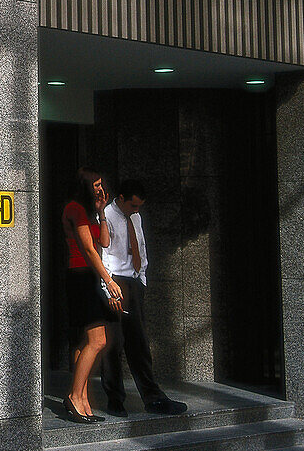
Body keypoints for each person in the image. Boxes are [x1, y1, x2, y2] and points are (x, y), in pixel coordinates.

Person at [100, 180, 189, 417]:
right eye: (133, 205)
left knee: (139, 343)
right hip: (115, 281)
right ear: (121, 198)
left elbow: (140, 244)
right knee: (114, 343)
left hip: (134, 281)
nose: (136, 210)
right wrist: (109, 287)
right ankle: (115, 399)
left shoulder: (135, 217)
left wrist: (142, 278)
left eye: (140, 206)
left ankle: (153, 398)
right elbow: (103, 254)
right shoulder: (107, 215)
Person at [61, 168, 124, 423]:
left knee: (84, 344)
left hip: (86, 277)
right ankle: (74, 397)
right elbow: (88, 249)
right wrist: (108, 281)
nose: (100, 189)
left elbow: (105, 243)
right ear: (85, 186)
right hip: (81, 277)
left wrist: (101, 212)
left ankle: (83, 400)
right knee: (98, 340)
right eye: (95, 185)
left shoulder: (88, 212)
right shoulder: (74, 209)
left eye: (101, 184)